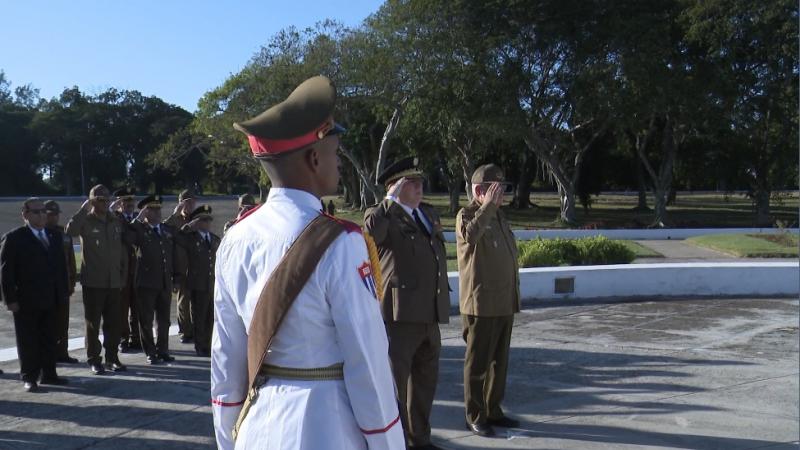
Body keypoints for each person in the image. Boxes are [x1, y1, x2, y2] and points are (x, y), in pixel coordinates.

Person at [212, 75, 403, 450]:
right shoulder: (342, 242)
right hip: (326, 426)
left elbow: (226, 358)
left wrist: (228, 436)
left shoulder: (234, 239)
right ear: (314, 158)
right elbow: (367, 364)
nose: (339, 163)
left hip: (256, 425)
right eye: (335, 153)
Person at [364, 157, 450, 450]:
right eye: (411, 183)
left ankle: (420, 440)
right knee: (394, 387)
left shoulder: (425, 214)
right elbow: (370, 236)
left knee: (425, 384)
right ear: (395, 186)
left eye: (420, 182)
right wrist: (388, 201)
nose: (419, 187)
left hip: (430, 312)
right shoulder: (382, 215)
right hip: (399, 316)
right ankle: (394, 442)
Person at [455, 164, 521, 437]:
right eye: (497, 189)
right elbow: (470, 236)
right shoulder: (468, 214)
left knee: (499, 363)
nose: (501, 195)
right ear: (480, 190)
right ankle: (475, 415)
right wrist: (488, 207)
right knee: (477, 364)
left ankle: (493, 409)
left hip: (504, 302)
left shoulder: (499, 216)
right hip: (480, 304)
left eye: (503, 189)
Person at [1, 198, 70, 391]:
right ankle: (29, 376)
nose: (42, 215)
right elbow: (6, 273)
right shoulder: (14, 238)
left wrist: (62, 293)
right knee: (28, 340)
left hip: (51, 297)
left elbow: (60, 269)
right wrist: (10, 300)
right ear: (25, 214)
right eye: (37, 212)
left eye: (44, 212)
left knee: (49, 337)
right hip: (26, 300)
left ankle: (49, 374)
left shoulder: (54, 236)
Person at [65, 185, 127, 375]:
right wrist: (83, 210)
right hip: (94, 281)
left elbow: (120, 250)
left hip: (114, 281)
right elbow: (70, 231)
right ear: (92, 201)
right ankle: (94, 359)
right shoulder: (86, 220)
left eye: (107, 199)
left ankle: (112, 358)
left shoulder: (115, 220)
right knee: (93, 323)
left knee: (113, 322)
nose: (105, 202)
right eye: (100, 199)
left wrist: (122, 275)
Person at [128, 195, 176, 365]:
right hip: (146, 282)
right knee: (146, 320)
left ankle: (163, 350)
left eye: (158, 209)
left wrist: (174, 278)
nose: (157, 212)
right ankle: (150, 352)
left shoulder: (166, 230)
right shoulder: (140, 230)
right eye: (152, 209)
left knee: (164, 320)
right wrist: (137, 220)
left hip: (164, 282)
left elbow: (172, 256)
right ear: (145, 211)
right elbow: (127, 238)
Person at [174, 205, 220, 357]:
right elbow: (176, 238)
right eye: (203, 220)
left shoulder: (214, 239)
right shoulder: (190, 239)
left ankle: (208, 344)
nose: (207, 223)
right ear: (196, 222)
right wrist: (188, 227)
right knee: (199, 317)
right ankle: (201, 346)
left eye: (208, 220)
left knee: (210, 317)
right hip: (197, 283)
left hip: (212, 283)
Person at [43, 200, 79, 364]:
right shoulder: (39, 234)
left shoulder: (63, 234)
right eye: (51, 214)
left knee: (63, 322)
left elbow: (70, 260)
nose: (54, 217)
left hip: (63, 285)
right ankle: (47, 354)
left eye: (56, 214)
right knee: (47, 323)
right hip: (46, 286)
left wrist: (71, 281)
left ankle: (62, 352)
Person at [110, 187, 141, 353]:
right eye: (125, 201)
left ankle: (137, 338)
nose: (129, 204)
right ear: (119, 203)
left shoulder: (139, 218)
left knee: (138, 307)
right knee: (122, 309)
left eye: (131, 201)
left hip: (138, 270)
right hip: (122, 270)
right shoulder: (114, 218)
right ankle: (124, 338)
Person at [165, 189, 196, 344]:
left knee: (196, 301)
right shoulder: (176, 220)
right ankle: (185, 330)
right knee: (183, 301)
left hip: (196, 266)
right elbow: (164, 229)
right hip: (180, 266)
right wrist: (176, 214)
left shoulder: (197, 218)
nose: (190, 205)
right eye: (187, 202)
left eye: (192, 202)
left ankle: (196, 329)